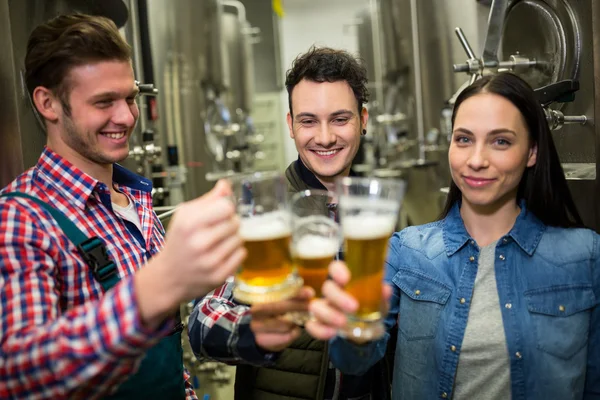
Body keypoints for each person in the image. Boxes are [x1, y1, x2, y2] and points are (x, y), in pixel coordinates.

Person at [306, 72, 600, 399]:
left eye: (500, 141)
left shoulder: (586, 256)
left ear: (531, 152)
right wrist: (349, 329)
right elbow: (355, 361)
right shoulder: (406, 251)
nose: (476, 160)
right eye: (463, 139)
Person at [0, 14, 245, 399]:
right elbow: (20, 372)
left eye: (130, 97)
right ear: (47, 102)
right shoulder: (21, 217)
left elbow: (168, 350)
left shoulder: (136, 201)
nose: (127, 117)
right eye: (104, 102)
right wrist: (155, 285)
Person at [188, 47, 392, 400]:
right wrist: (256, 331)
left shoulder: (378, 208)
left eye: (340, 119)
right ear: (290, 124)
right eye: (309, 121)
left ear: (364, 119)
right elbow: (202, 321)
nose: (325, 137)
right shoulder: (261, 210)